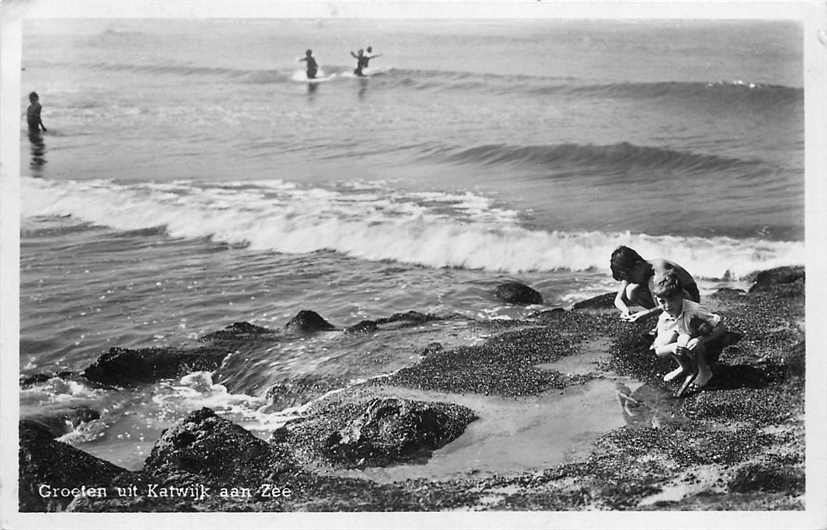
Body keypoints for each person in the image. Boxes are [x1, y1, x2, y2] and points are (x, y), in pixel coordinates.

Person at [650, 271, 726, 396]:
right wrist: (672, 347)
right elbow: (659, 350)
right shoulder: (664, 317)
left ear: (681, 295)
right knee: (669, 340)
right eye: (662, 302)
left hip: (708, 342)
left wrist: (700, 340)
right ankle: (684, 367)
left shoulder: (695, 310)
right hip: (686, 343)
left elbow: (721, 327)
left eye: (672, 300)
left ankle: (704, 371)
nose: (668, 306)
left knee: (687, 338)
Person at [610, 246, 699, 323]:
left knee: (653, 282)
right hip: (669, 302)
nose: (629, 280)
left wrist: (648, 313)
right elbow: (618, 299)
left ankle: (672, 319)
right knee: (631, 291)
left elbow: (673, 296)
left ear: (638, 265)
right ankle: (665, 315)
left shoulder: (659, 268)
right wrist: (625, 310)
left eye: (629, 277)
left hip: (688, 298)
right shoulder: (633, 272)